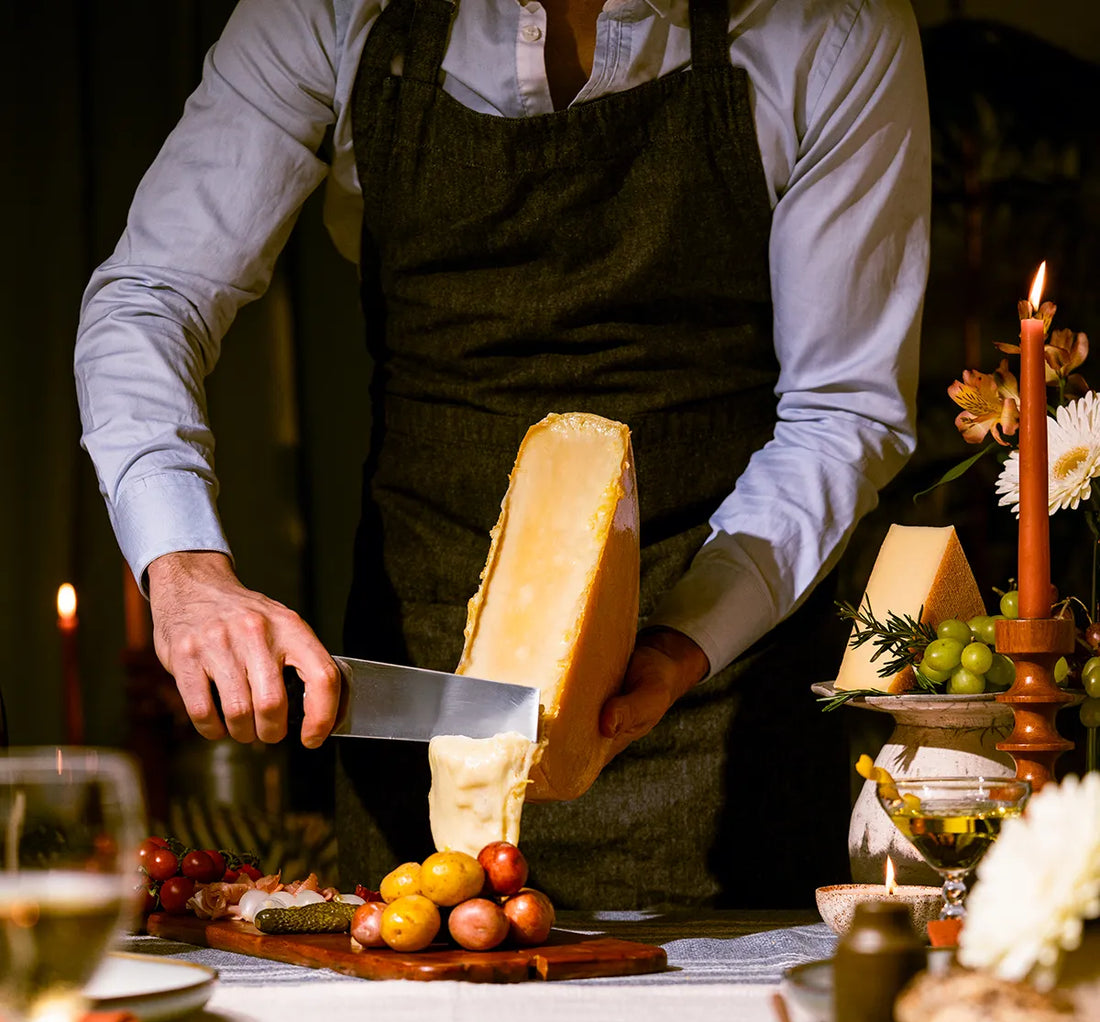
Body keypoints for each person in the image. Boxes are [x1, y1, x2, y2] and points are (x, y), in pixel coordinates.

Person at [75, 0, 930, 908]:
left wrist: (686, 645)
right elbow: (151, 297)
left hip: (713, 701)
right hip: (426, 697)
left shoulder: (834, 25)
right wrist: (185, 568)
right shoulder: (327, 11)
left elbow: (842, 412)